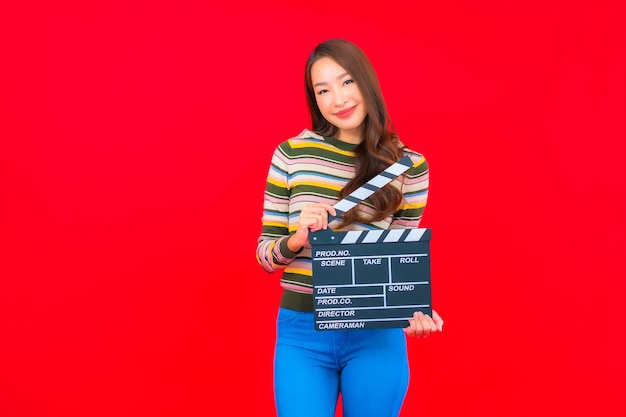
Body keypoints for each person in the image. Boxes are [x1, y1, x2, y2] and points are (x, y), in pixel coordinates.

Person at [255, 39, 444, 417]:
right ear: (314, 98)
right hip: (301, 332)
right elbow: (265, 256)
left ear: (365, 82)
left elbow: (401, 262)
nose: (337, 98)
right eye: (322, 89)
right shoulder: (292, 154)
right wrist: (295, 239)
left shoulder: (409, 166)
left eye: (346, 82)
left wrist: (415, 311)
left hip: (375, 336)